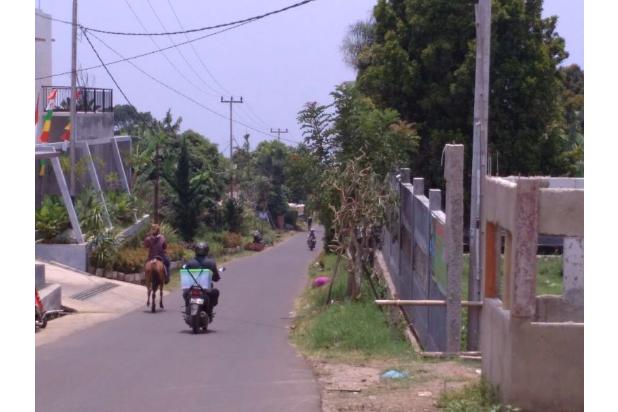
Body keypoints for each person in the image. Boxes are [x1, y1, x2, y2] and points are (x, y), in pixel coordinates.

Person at [182, 242, 221, 317]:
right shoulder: (211, 263)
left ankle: (187, 308)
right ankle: (209, 312)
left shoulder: (190, 263)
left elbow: (185, 273)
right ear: (207, 251)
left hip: (192, 288)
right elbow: (216, 277)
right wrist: (216, 278)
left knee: (185, 293)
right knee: (215, 292)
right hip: (206, 289)